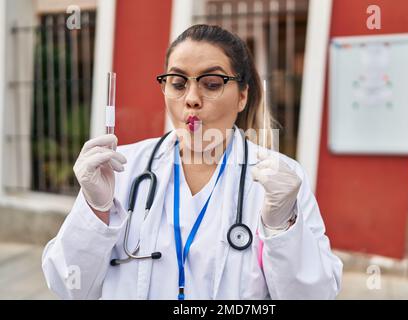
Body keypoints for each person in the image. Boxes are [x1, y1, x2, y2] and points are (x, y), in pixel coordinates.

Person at [42, 24, 342, 300]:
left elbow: (313, 296)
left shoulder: (278, 182)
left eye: (212, 84)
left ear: (242, 96)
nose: (192, 98)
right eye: (177, 82)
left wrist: (282, 226)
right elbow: (69, 286)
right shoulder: (121, 169)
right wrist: (95, 211)